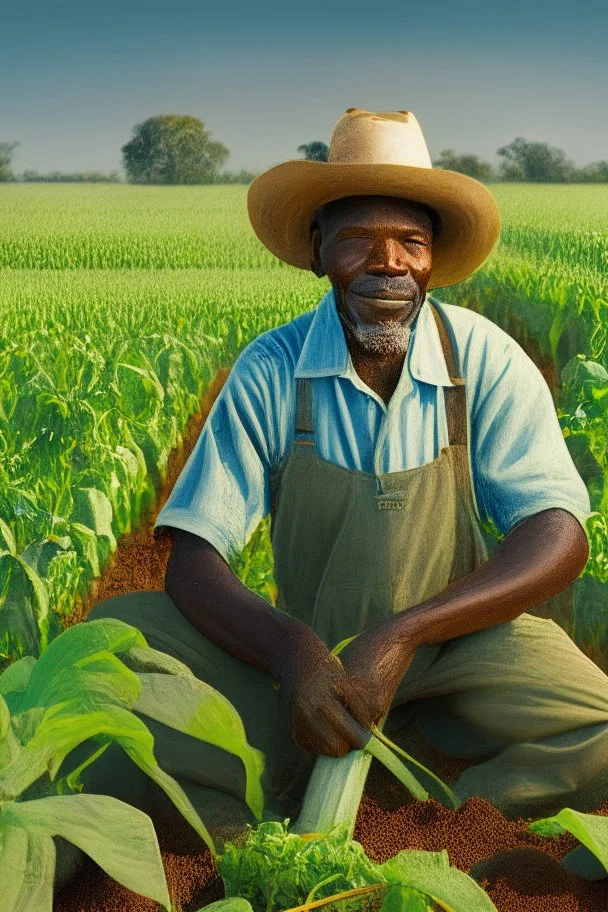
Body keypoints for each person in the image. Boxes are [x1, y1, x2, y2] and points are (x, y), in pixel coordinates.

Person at [71, 109, 608, 882]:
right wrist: (295, 654)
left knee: (597, 729)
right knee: (115, 646)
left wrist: (405, 633)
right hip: (305, 654)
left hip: (458, 648)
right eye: (359, 238)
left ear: (434, 260)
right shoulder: (272, 370)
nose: (387, 262)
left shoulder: (483, 359)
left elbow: (558, 534)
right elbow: (193, 560)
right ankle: (276, 787)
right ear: (319, 247)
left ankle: (443, 812)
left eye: (412, 243)